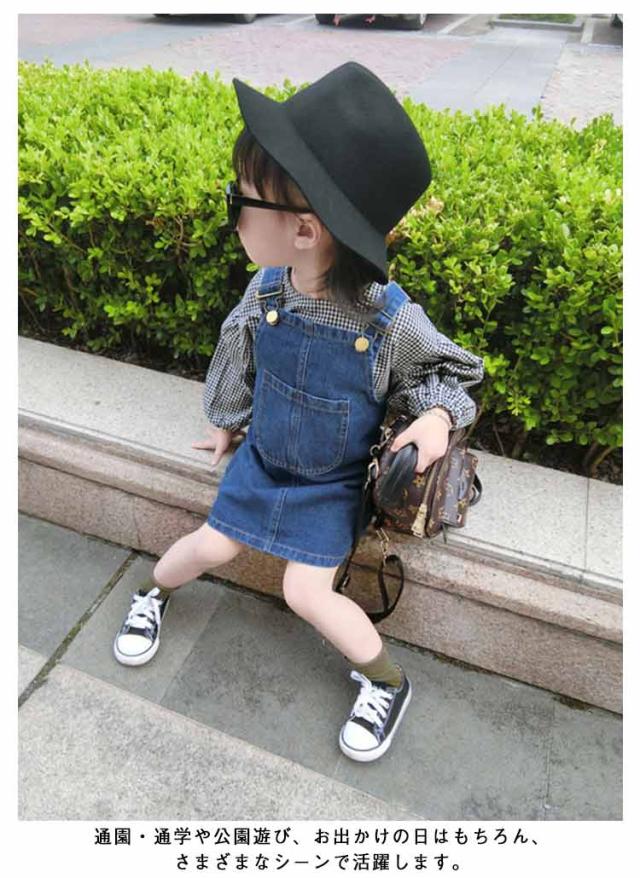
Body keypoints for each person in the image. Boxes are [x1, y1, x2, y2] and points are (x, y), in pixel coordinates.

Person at [113, 62, 484, 763]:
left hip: (331, 485)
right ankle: (149, 592)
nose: (232, 210)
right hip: (263, 459)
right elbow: (238, 347)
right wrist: (225, 418)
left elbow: (453, 371)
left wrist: (436, 418)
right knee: (210, 545)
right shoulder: (267, 291)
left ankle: (387, 680)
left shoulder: (388, 320)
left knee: (305, 591)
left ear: (306, 230)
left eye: (240, 198)